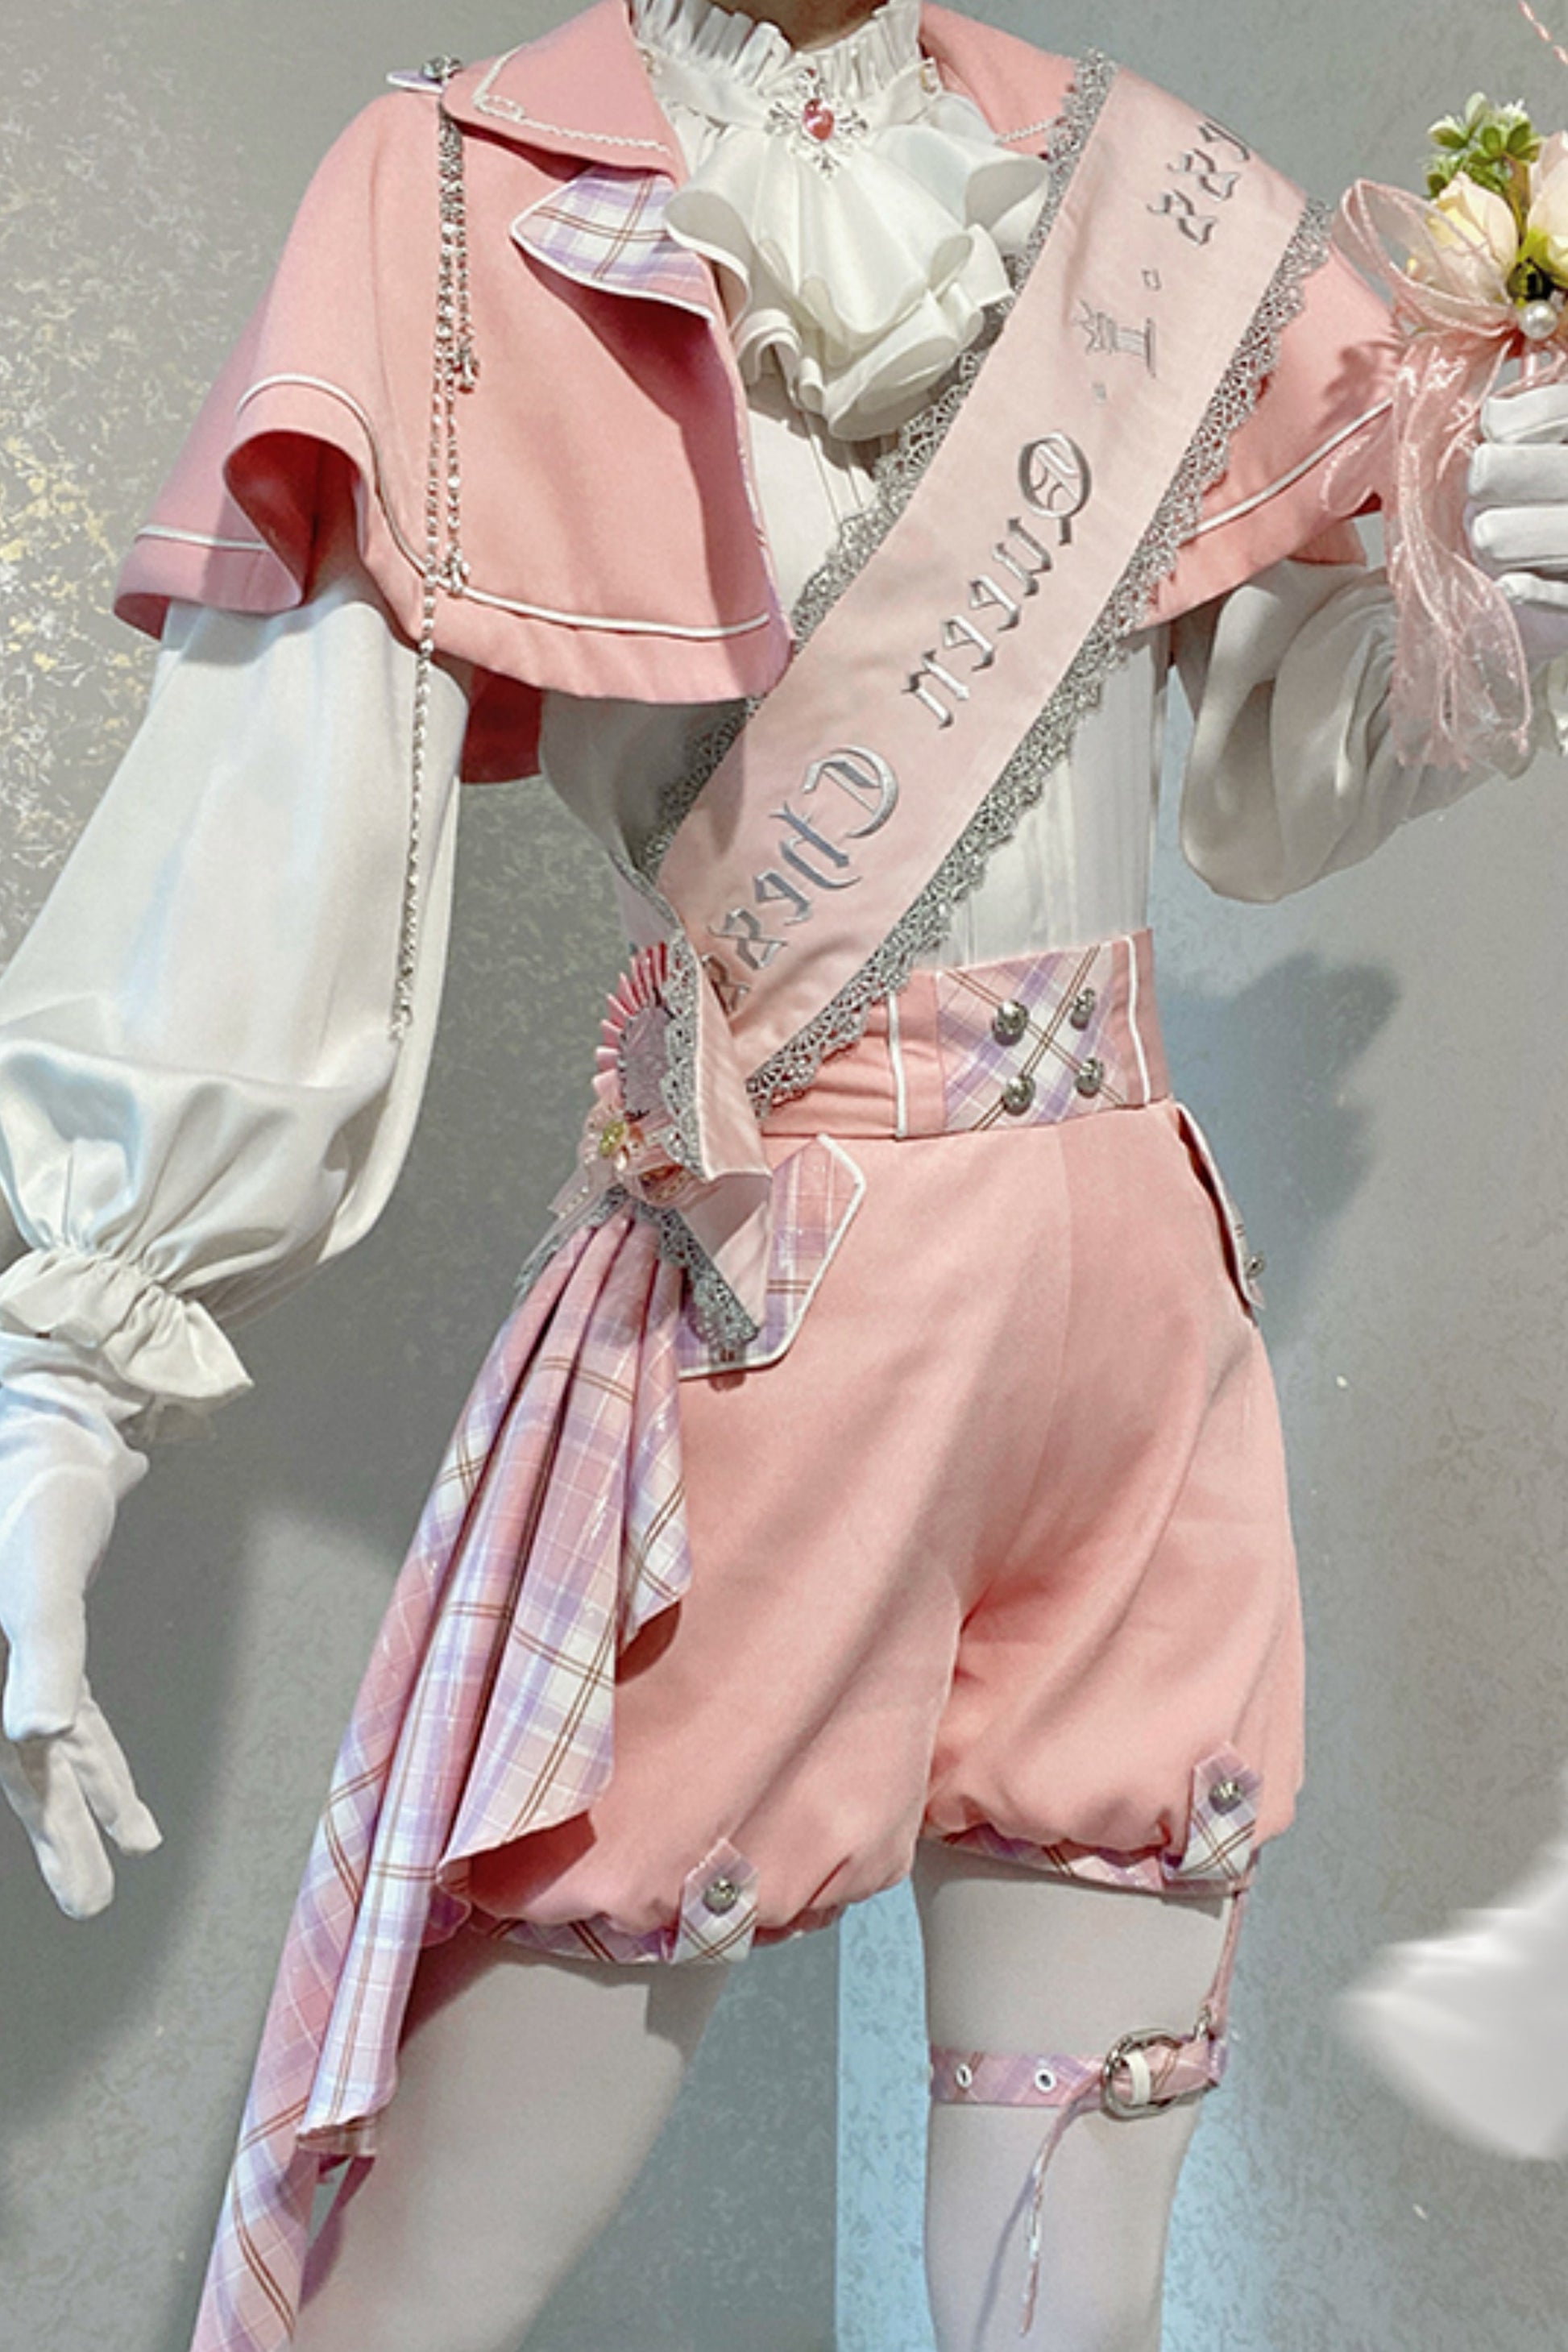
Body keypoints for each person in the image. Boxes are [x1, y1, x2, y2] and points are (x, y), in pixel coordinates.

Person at [3, 3, 1568, 2347]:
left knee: (1079, 2294)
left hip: (1138, 1305)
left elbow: (1260, 774)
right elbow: (271, 804)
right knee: (427, 2276)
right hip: (779, 1291)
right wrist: (69, 1376)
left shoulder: (1137, 189)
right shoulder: (467, 199)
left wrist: (1499, 605)